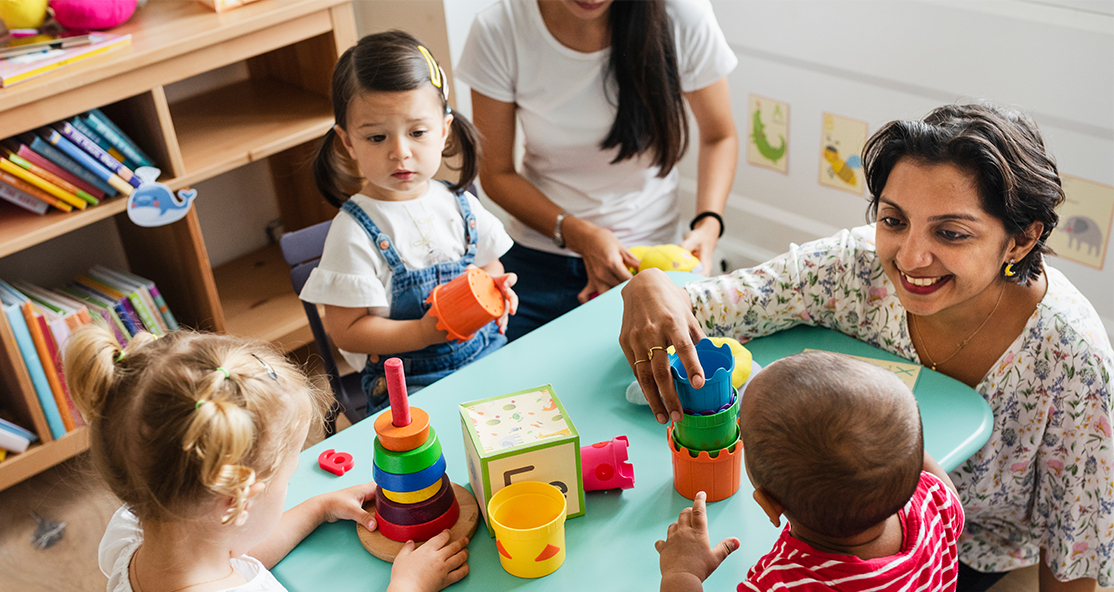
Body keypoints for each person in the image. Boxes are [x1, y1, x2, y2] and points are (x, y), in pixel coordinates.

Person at [621, 103, 1113, 590]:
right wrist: (651, 286)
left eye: (951, 232)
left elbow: (1078, 542)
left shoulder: (1072, 357)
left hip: (974, 557)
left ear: (1020, 242)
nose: (911, 257)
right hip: (862, 533)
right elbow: (717, 304)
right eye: (894, 220)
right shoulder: (853, 267)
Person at [64, 325, 470, 592]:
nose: (291, 486)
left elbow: (231, 554)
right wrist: (408, 587)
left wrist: (317, 507)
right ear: (236, 502)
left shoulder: (138, 534)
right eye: (288, 478)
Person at [458, 0, 738, 340]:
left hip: (649, 260)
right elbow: (496, 173)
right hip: (541, 255)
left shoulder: (682, 15)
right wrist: (579, 234)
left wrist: (709, 224)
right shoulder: (500, 28)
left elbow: (719, 136)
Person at [303, 31, 518, 407]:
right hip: (409, 385)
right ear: (348, 142)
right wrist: (422, 333)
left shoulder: (459, 203)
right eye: (376, 138)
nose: (400, 153)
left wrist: (496, 288)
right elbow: (348, 332)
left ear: (444, 130)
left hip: (487, 354)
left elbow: (487, 263)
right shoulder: (353, 232)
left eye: (417, 132)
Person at [656, 352, 964, 591]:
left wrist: (682, 573)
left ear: (769, 505)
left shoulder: (783, 584)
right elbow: (920, 464)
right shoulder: (936, 504)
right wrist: (884, 434)